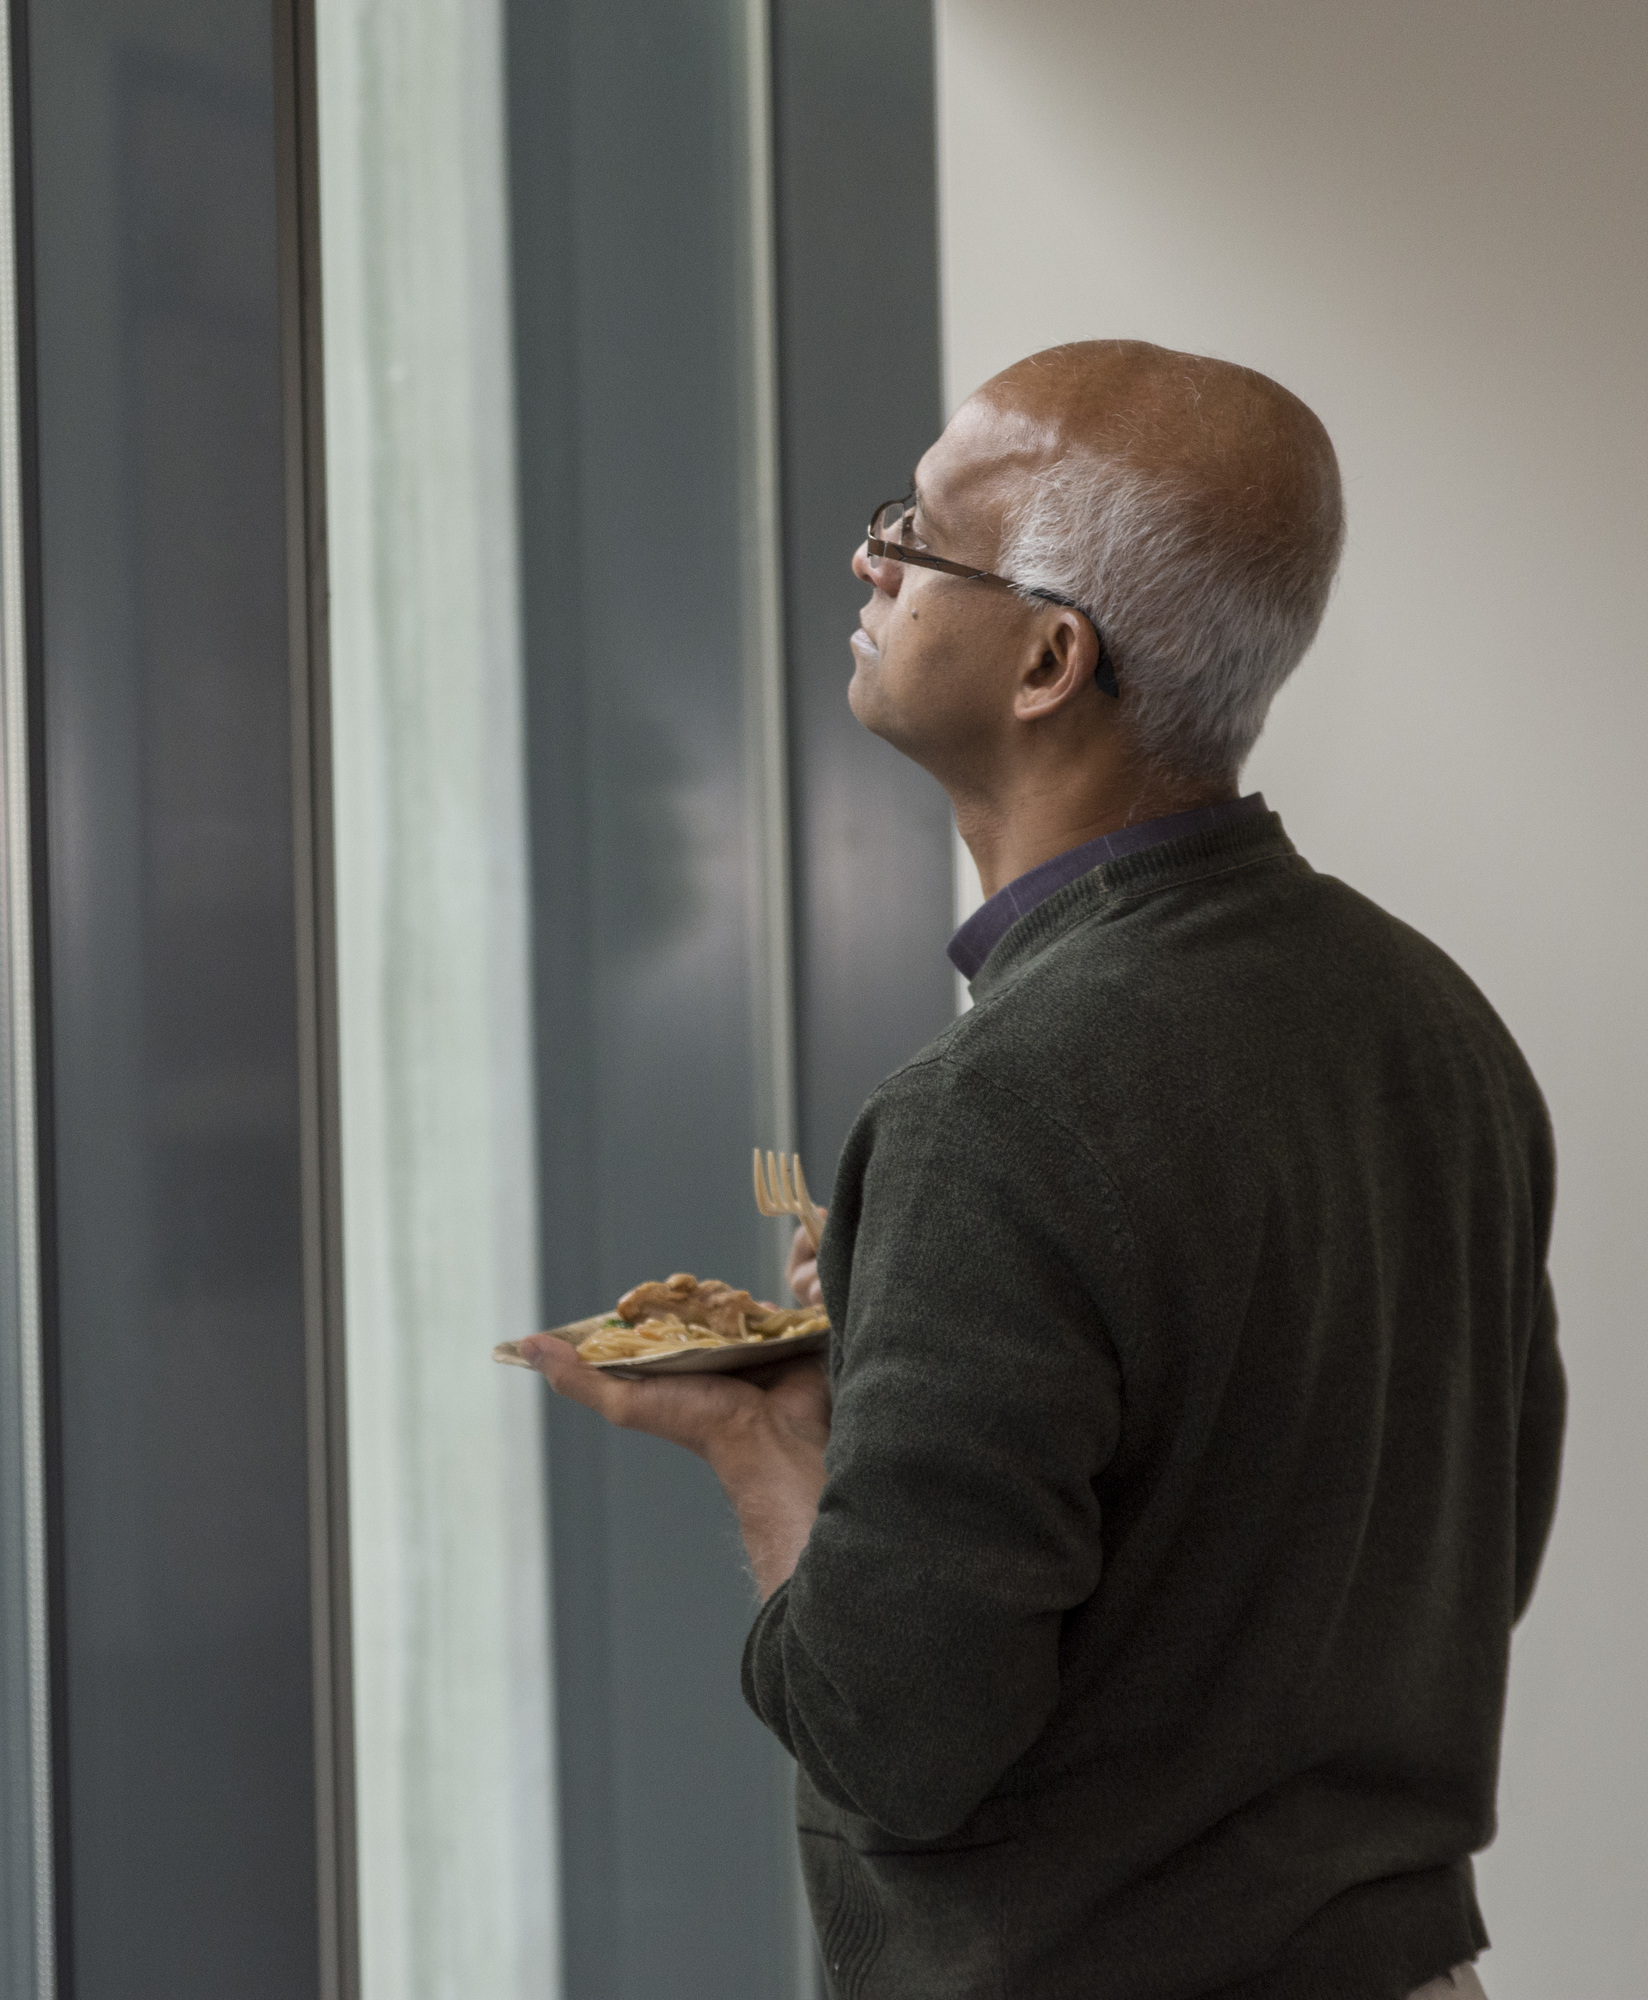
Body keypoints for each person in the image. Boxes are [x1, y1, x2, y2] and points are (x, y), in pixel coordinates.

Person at [526, 340, 1563, 2000]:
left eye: (918, 534)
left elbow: (895, 1737)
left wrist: (767, 1440)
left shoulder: (996, 1110)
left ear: (1047, 660)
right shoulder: (1436, 1027)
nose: (869, 558)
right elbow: (1451, 1556)